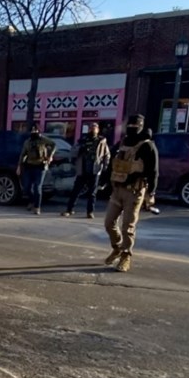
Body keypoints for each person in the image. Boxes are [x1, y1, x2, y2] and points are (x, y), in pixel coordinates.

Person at [103, 114, 159, 272]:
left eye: (135, 126)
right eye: (130, 126)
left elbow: (153, 172)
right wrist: (104, 183)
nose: (131, 129)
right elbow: (112, 165)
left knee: (128, 226)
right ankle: (117, 247)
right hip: (117, 190)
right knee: (109, 223)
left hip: (134, 191)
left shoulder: (148, 146)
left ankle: (126, 256)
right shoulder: (123, 142)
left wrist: (151, 193)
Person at [61, 122, 111, 218]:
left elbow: (106, 155)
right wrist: (80, 149)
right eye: (91, 128)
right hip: (82, 169)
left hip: (95, 170)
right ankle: (69, 209)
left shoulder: (101, 141)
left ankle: (90, 212)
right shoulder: (83, 140)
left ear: (98, 130)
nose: (93, 129)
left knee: (92, 193)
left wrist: (104, 166)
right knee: (76, 191)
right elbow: (73, 151)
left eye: (95, 128)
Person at [16, 126, 56, 214]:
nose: (34, 132)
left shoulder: (43, 140)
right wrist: (19, 166)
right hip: (29, 166)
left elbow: (53, 144)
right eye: (32, 130)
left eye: (35, 130)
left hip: (40, 166)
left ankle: (37, 207)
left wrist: (50, 156)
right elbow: (23, 154)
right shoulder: (27, 142)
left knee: (37, 187)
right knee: (26, 187)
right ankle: (31, 201)